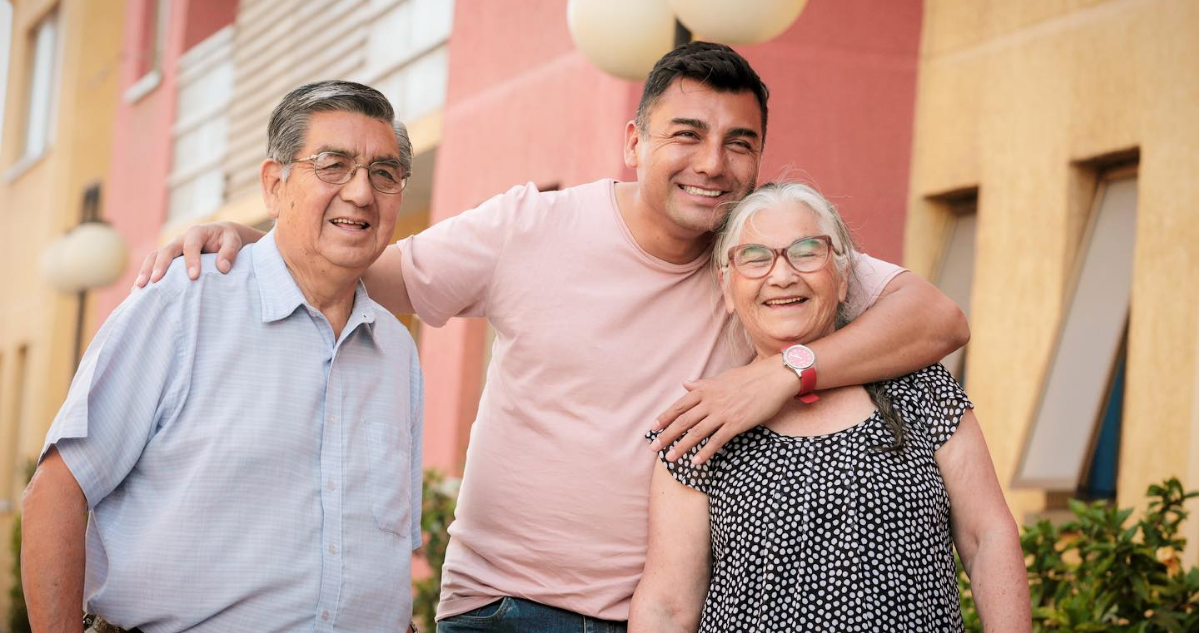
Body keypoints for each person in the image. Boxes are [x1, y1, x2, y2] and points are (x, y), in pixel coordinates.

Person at [134, 43, 970, 631]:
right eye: (687, 134)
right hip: (508, 608)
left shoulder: (761, 259)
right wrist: (250, 230)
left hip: (672, 610)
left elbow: (937, 320)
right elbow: (351, 263)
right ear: (635, 140)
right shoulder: (527, 225)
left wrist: (786, 371)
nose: (712, 162)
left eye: (738, 143)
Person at [22, 81, 424, 633]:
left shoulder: (397, 350)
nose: (361, 193)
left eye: (385, 173)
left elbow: (382, 553)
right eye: (334, 165)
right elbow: (56, 495)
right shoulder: (182, 303)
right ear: (274, 184)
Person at [630, 182, 1030, 632]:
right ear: (727, 287)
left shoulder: (921, 387)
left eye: (806, 251)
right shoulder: (703, 420)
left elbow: (987, 537)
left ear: (843, 279)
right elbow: (667, 604)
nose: (782, 276)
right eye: (755, 257)